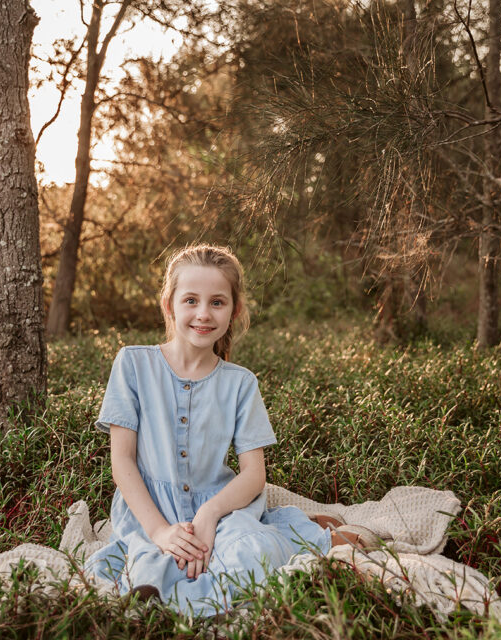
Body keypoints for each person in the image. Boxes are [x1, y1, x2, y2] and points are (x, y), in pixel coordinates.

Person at [83, 244, 337, 616]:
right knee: (147, 566)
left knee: (256, 550)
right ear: (169, 305)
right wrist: (160, 532)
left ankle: (205, 592)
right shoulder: (133, 364)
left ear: (234, 310)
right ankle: (199, 601)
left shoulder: (241, 383)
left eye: (217, 302)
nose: (203, 314)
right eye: (191, 300)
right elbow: (121, 461)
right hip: (148, 513)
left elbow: (254, 473)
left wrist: (209, 516)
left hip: (222, 510)